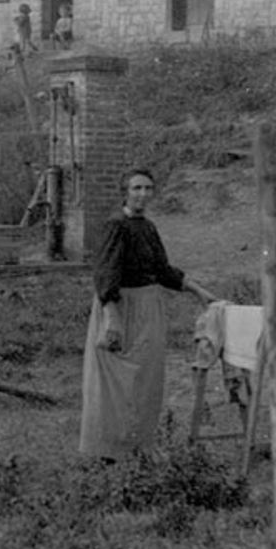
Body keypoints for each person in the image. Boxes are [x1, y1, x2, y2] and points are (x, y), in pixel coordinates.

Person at [80, 168, 216, 461]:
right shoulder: (115, 226)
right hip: (121, 309)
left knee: (146, 380)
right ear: (125, 192)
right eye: (137, 188)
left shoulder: (148, 227)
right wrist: (112, 319)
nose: (142, 194)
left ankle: (139, 448)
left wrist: (198, 291)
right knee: (117, 381)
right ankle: (110, 452)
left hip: (148, 309)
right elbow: (105, 275)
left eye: (148, 188)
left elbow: (163, 270)